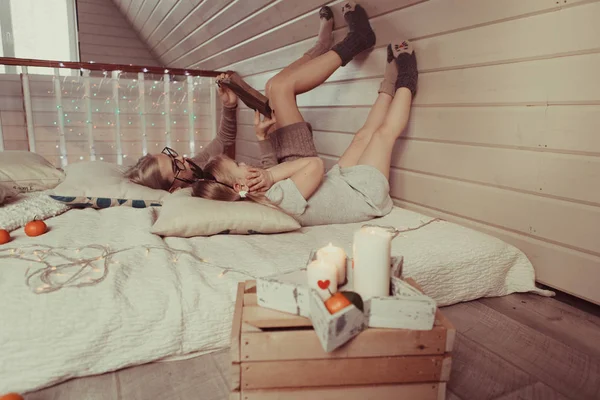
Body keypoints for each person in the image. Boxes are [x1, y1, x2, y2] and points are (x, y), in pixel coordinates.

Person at [192, 2, 418, 227]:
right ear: (240, 188)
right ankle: (407, 80)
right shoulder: (276, 199)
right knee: (381, 136)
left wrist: (265, 153)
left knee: (363, 135)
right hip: (365, 197)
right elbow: (314, 165)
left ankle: (388, 85)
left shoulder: (261, 196)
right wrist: (270, 176)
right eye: (237, 166)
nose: (242, 163)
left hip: (341, 184)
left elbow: (278, 173)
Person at [124, 4, 339, 192]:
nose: (181, 158)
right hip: (288, 176)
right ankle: (350, 42)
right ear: (173, 189)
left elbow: (222, 141)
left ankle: (320, 47)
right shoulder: (208, 192)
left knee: (273, 88)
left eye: (171, 155)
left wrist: (229, 107)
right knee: (280, 89)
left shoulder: (194, 167)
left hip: (278, 168)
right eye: (175, 166)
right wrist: (263, 142)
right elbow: (265, 184)